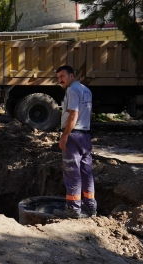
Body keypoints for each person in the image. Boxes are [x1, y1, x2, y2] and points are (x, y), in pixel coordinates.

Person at [53, 65, 97, 219]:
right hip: (85, 136)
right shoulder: (86, 90)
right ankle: (90, 207)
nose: (60, 80)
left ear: (71, 76)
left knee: (72, 172)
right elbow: (89, 112)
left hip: (73, 136)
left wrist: (65, 135)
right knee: (86, 172)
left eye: (62, 76)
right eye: (58, 77)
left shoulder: (72, 90)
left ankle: (73, 209)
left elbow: (73, 114)